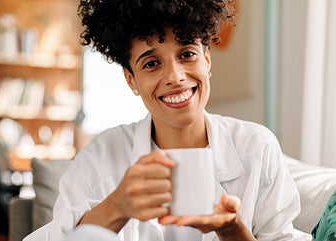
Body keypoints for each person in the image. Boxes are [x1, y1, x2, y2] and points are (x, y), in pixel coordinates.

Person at [25, 0, 311, 240]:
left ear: (207, 61)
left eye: (187, 54)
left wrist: (232, 229)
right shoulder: (99, 158)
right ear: (131, 80)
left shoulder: (257, 148)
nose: (175, 77)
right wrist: (116, 206)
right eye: (151, 63)